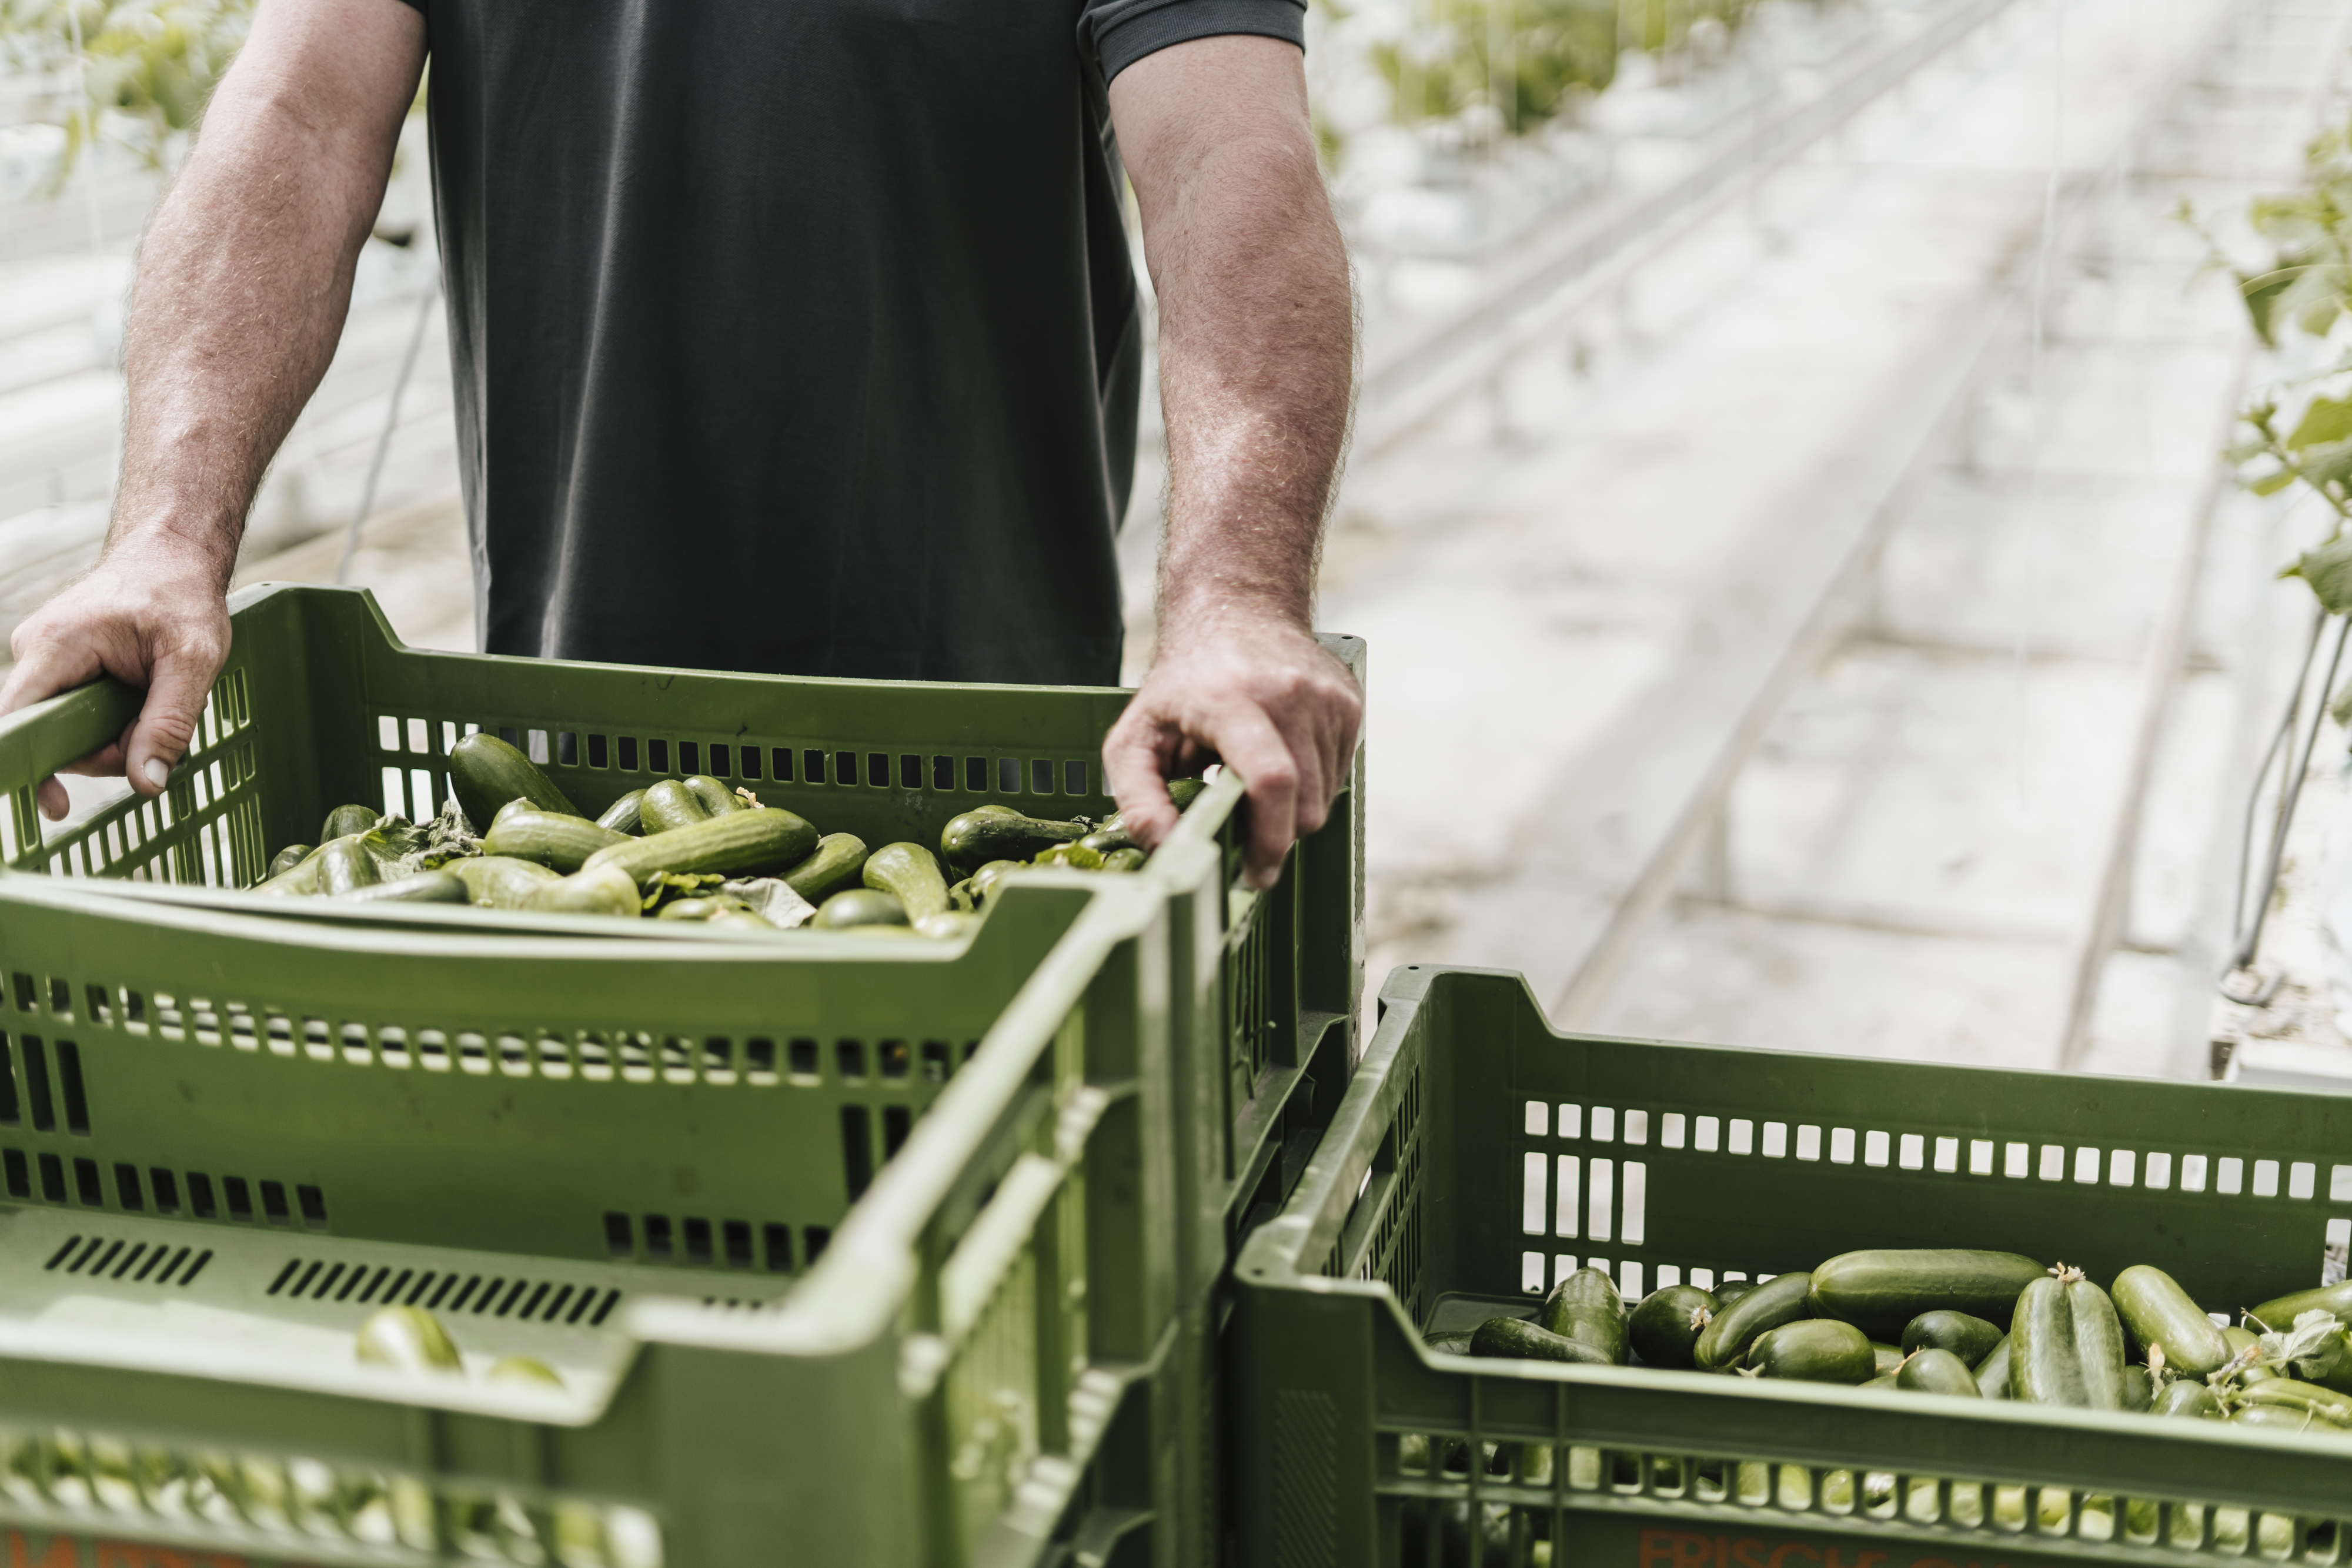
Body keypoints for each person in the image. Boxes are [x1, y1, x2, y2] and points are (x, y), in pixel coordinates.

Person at [0, 0, 1362, 886]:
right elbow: (294, 126)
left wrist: (1235, 597)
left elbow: (1222, 160)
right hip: (566, 784)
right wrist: (167, 535)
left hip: (984, 778)